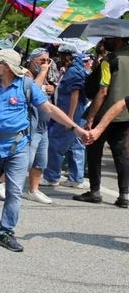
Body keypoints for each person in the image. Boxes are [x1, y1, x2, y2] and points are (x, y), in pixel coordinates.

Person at [0, 49, 89, 252]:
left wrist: (76, 129)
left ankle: (6, 232)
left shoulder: (27, 86)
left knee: (14, 192)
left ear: (6, 67)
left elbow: (49, 109)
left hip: (17, 147)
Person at [75, 37, 129, 206]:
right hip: (126, 114)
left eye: (109, 38)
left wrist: (91, 117)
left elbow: (103, 90)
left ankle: (95, 191)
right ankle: (124, 195)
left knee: (93, 150)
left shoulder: (109, 61)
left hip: (105, 112)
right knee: (122, 153)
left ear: (119, 40)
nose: (105, 41)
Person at [43, 45, 88, 189]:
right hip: (78, 113)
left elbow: (74, 94)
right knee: (76, 145)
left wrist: (69, 117)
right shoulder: (75, 69)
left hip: (69, 112)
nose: (59, 58)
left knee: (56, 143)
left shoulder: (73, 71)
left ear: (67, 55)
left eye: (61, 55)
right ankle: (76, 178)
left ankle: (52, 176)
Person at [22, 48, 54, 204]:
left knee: (40, 162)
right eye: (42, 60)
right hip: (30, 127)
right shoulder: (24, 74)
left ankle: (33, 190)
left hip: (43, 126)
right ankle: (2, 184)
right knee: (24, 161)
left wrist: (51, 88)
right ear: (32, 60)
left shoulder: (44, 77)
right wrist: (42, 73)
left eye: (48, 61)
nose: (45, 64)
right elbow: (32, 90)